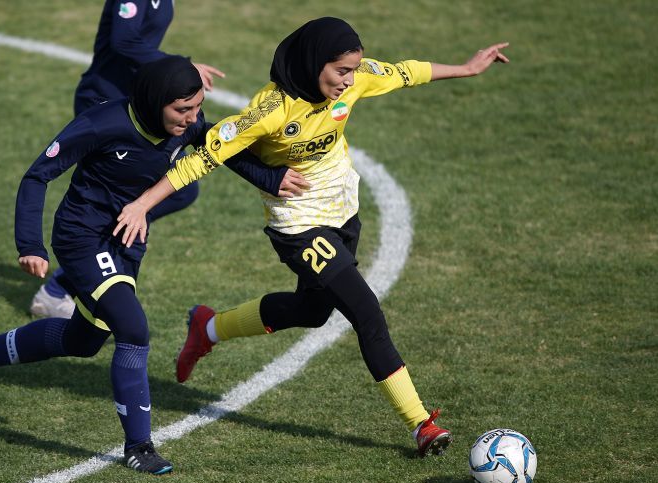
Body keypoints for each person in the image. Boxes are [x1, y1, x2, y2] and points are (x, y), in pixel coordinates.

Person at [113, 18, 509, 457]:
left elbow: (405, 72)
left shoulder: (356, 79)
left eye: (353, 70)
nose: (349, 80)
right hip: (298, 225)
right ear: (314, 62)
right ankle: (421, 424)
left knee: (313, 310)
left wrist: (467, 68)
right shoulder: (271, 109)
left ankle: (207, 327)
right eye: (341, 71)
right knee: (365, 310)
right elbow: (203, 157)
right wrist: (143, 204)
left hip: (342, 208)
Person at [0, 56, 308, 474]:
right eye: (182, 110)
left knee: (83, 340)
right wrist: (31, 245)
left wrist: (270, 178)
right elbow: (37, 175)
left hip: (126, 243)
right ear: (154, 102)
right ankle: (139, 447)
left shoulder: (184, 124)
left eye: (196, 108)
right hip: (82, 237)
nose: (192, 119)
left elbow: (217, 146)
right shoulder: (102, 124)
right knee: (133, 328)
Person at [31, 0, 227, 318]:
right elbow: (123, 40)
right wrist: (181, 66)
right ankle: (59, 287)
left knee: (177, 191)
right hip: (107, 103)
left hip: (143, 108)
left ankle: (75, 277)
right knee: (119, 201)